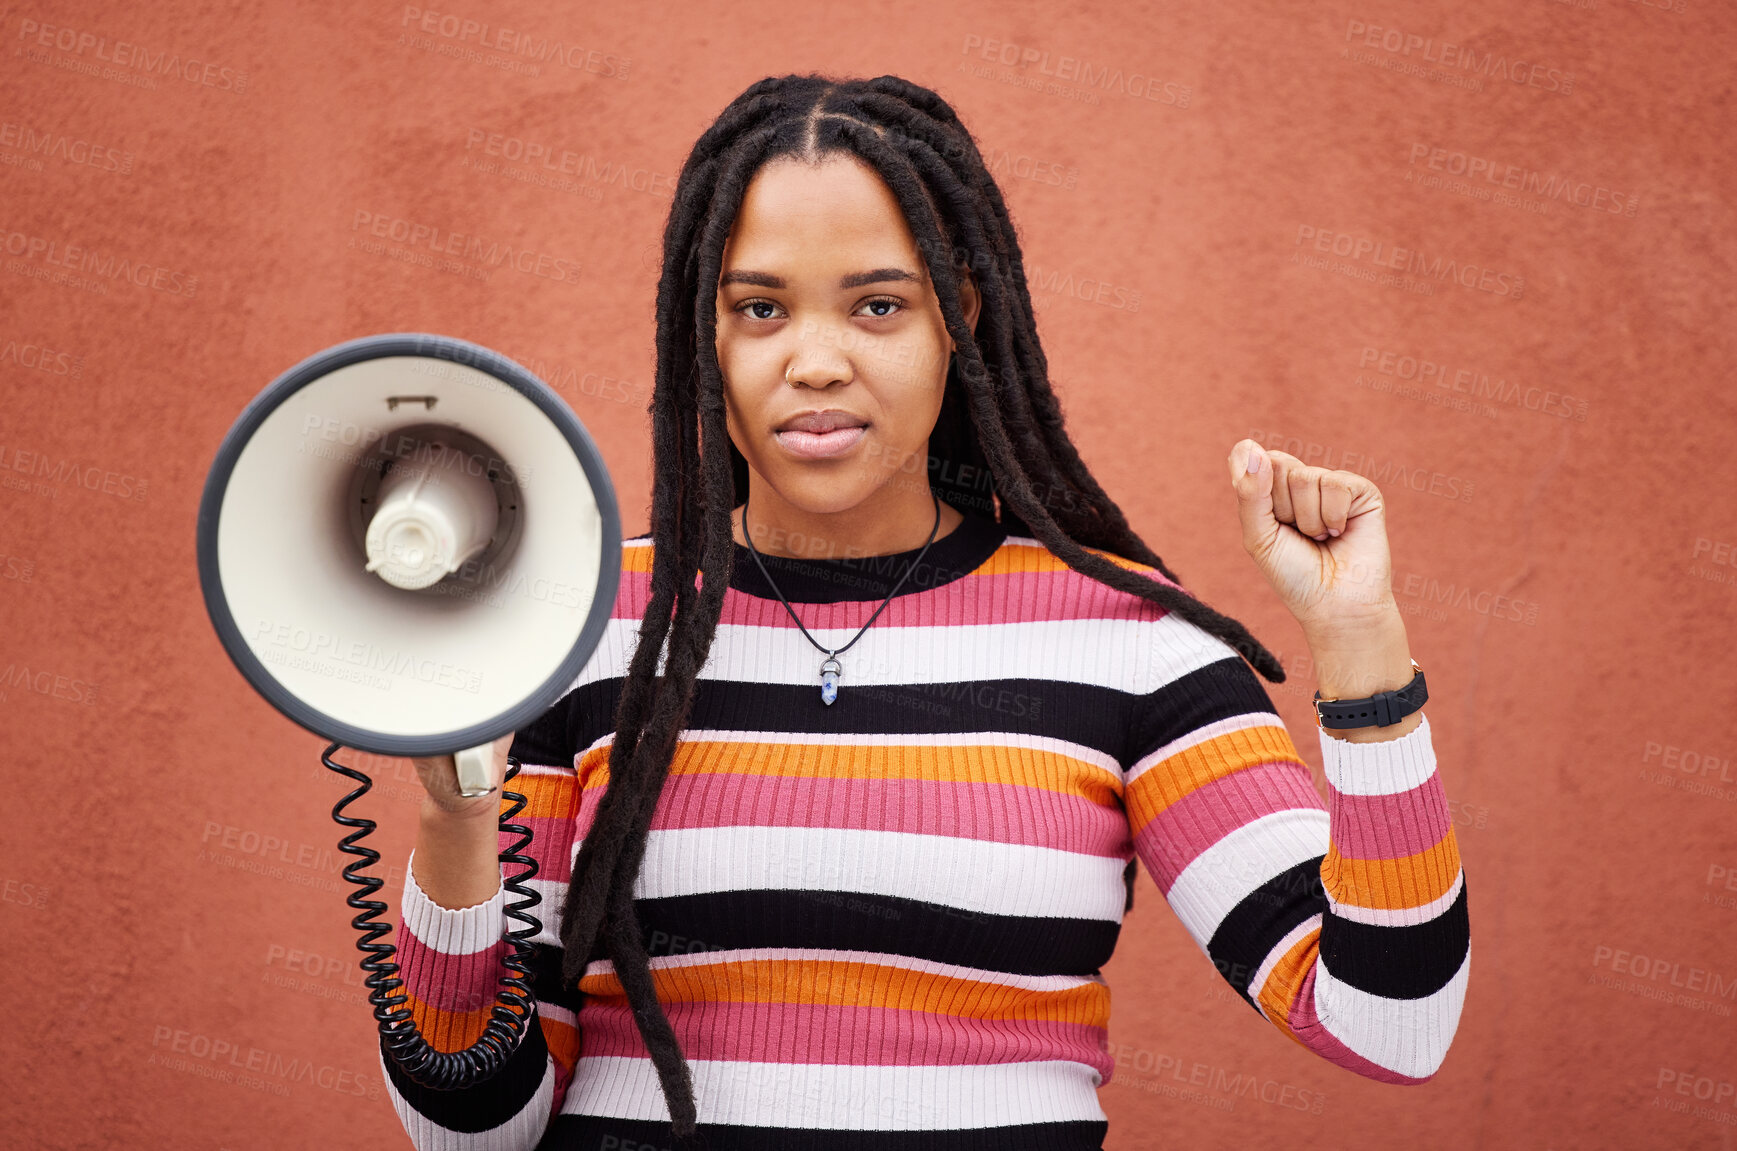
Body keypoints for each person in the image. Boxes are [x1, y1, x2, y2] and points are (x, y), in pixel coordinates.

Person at [385, 73, 1469, 1150]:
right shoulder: (576, 628)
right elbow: (469, 1131)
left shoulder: (1125, 638)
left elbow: (1390, 1024)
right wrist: (454, 816)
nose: (815, 362)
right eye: (761, 307)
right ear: (703, 330)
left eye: (878, 305)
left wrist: (1360, 641)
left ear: (962, 314)